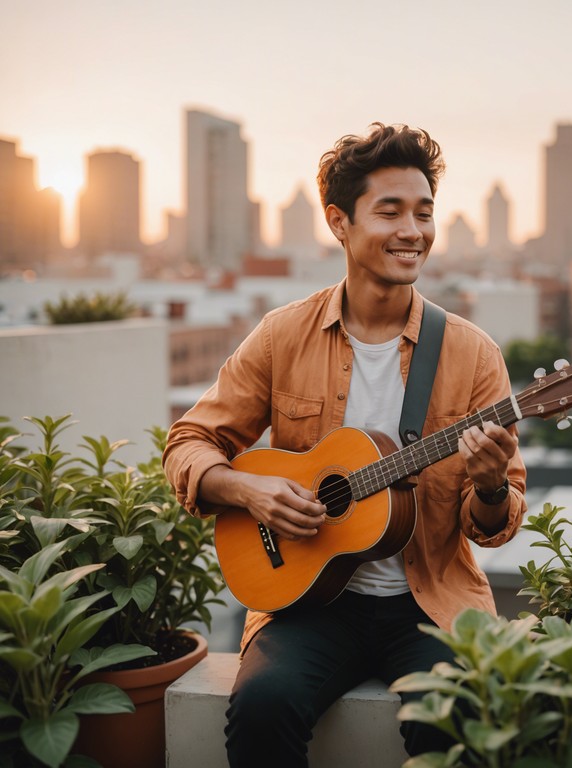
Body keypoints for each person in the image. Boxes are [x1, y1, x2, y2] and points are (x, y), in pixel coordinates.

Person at [162, 122, 527, 767]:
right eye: (389, 212)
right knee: (259, 711)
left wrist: (493, 484)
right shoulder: (282, 336)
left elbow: (493, 527)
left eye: (424, 212)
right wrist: (252, 490)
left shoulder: (472, 355)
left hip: (430, 602)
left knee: (464, 715)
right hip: (306, 603)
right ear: (339, 222)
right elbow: (190, 442)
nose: (412, 231)